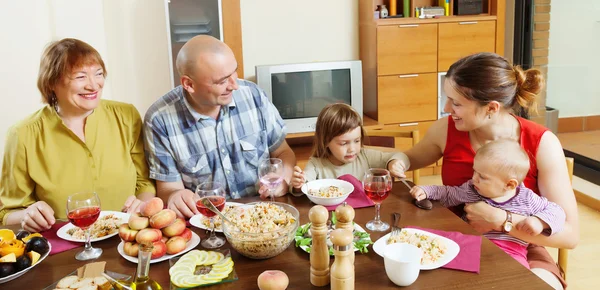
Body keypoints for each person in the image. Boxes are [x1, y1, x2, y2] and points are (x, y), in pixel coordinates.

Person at [395, 52, 577, 289]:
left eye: (456, 103)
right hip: (456, 238)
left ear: (491, 107)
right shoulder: (447, 130)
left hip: (521, 244)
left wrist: (501, 221)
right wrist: (397, 161)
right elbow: (409, 159)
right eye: (448, 99)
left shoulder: (542, 143)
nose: (446, 108)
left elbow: (570, 236)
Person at [0, 38, 156, 232]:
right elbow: (7, 212)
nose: (94, 85)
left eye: (98, 74)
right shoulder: (22, 135)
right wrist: (27, 215)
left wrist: (141, 204)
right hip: (64, 246)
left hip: (125, 235)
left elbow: (144, 181)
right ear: (51, 83)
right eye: (80, 77)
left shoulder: (126, 116)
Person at [144, 35, 295, 219]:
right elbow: (168, 188)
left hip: (263, 215)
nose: (235, 85)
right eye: (222, 81)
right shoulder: (160, 120)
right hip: (208, 222)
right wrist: (176, 196)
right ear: (189, 84)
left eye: (234, 72)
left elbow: (283, 153)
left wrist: (282, 179)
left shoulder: (253, 96)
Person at [410, 139, 566, 269]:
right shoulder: (473, 189)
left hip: (511, 253)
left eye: (482, 177)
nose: (474, 178)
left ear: (510, 184)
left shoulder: (528, 199)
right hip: (470, 244)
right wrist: (427, 190)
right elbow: (449, 193)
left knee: (514, 277)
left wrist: (539, 221)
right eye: (474, 171)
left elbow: (557, 211)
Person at [290, 103, 408, 189]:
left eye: (356, 141)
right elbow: (304, 184)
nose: (352, 149)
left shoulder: (365, 156)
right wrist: (298, 184)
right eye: (344, 143)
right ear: (326, 141)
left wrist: (394, 163)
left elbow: (402, 156)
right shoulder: (316, 164)